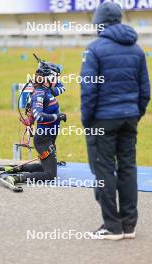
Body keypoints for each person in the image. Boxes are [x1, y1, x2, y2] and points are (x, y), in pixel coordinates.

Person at [80, 2, 150, 240]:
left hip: (103, 119)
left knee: (104, 170)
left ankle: (112, 226)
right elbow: (145, 90)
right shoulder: (137, 50)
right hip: (129, 118)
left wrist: (86, 120)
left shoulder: (94, 50)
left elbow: (88, 90)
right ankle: (129, 225)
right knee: (128, 169)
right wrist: (135, 114)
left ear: (99, 22)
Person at [5, 61, 66, 185]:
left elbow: (62, 87)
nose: (57, 80)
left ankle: (16, 169)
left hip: (49, 137)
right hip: (43, 139)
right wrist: (57, 116)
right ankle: (18, 178)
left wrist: (45, 68)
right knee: (50, 175)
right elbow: (39, 116)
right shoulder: (39, 94)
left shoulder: (48, 90)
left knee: (47, 167)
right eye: (55, 78)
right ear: (48, 79)